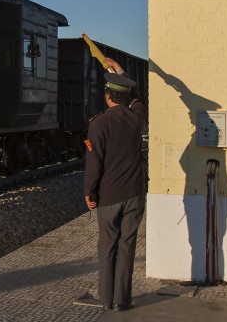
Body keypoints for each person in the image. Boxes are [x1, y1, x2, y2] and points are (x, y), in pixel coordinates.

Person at [83, 57, 147, 312]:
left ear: (108, 97)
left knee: (107, 244)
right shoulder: (136, 116)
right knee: (127, 245)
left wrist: (89, 192)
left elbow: (94, 164)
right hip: (135, 193)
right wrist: (119, 70)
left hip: (109, 196)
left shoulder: (98, 124)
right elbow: (138, 95)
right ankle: (123, 300)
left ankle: (106, 299)